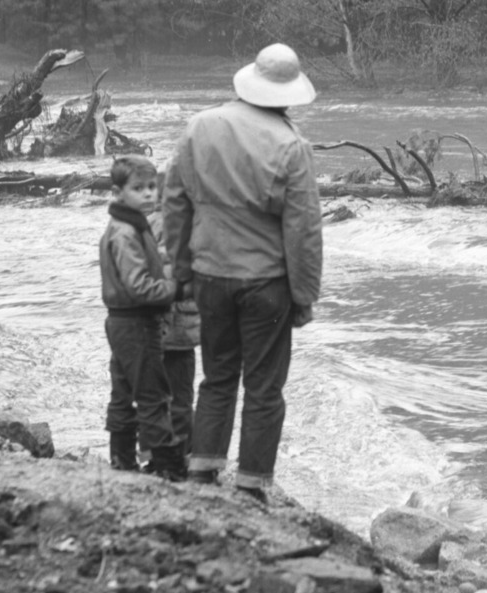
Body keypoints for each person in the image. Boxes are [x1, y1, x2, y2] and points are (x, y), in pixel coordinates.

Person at [162, 43, 324, 508]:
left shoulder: (200, 128)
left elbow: (175, 203)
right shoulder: (292, 147)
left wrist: (181, 270)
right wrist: (304, 294)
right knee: (264, 387)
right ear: (289, 94)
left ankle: (203, 469)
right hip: (267, 283)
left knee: (216, 378)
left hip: (211, 275)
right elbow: (303, 230)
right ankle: (252, 484)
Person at [97, 154, 183, 478]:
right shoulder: (126, 232)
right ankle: (168, 466)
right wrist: (176, 288)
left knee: (122, 391)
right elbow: (139, 287)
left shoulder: (129, 224)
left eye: (152, 187)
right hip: (135, 321)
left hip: (120, 321)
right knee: (153, 394)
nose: (148, 194)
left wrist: (163, 260)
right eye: (138, 188)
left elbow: (140, 265)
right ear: (118, 192)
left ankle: (121, 461)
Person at [149, 172, 200, 466]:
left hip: (158, 327)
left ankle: (164, 454)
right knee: (181, 395)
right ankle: (181, 455)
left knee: (161, 394)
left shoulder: (147, 225)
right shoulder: (186, 227)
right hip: (181, 330)